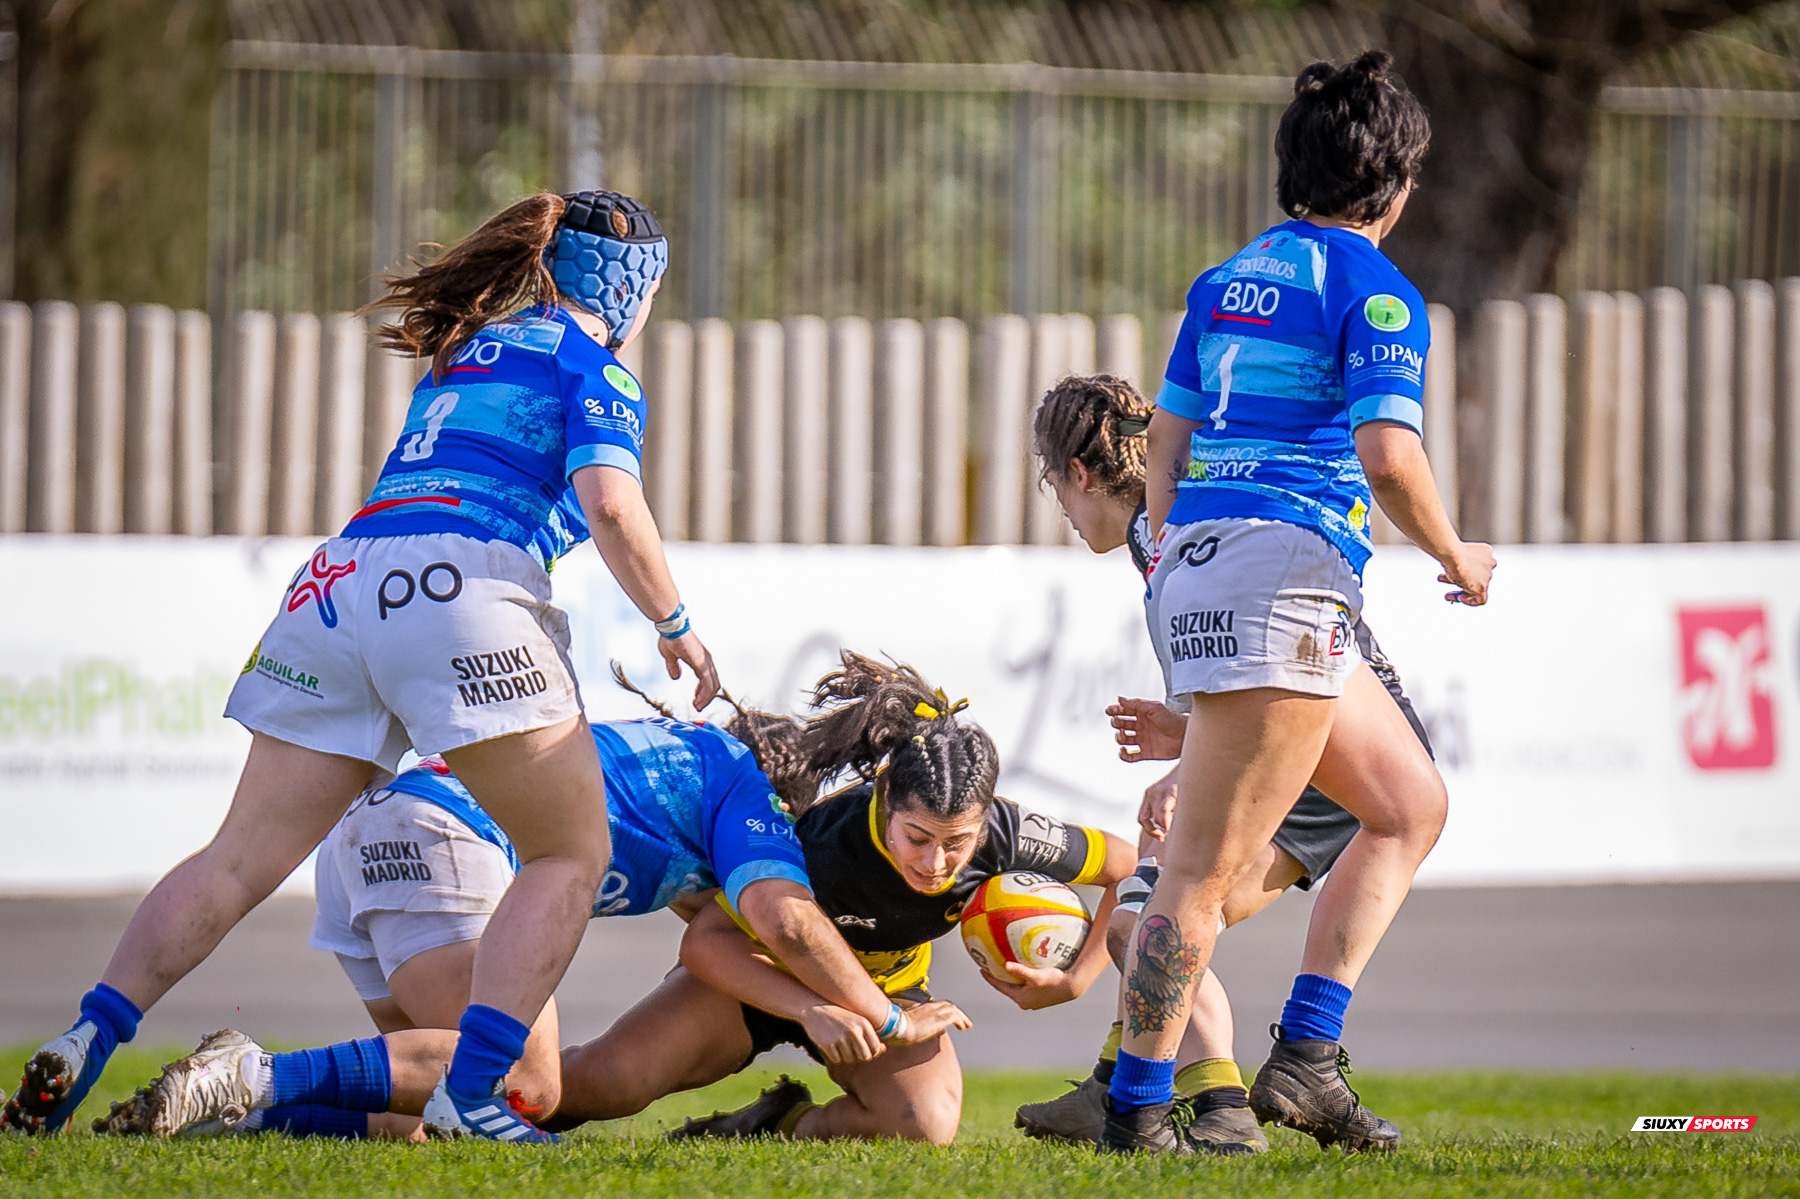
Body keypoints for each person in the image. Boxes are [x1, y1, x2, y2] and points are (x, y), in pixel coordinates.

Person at [3, 190, 722, 1143]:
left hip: (340, 578)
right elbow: (612, 503)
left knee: (237, 858)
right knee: (568, 853)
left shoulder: (469, 348)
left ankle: (88, 1032)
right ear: (631, 290)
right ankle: (475, 1094)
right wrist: (674, 622)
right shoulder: (595, 369)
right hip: (459, 581)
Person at [1098, 53, 1494, 1157]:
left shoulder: (1225, 280)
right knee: (1199, 873)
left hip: (1204, 555)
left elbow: (1164, 445)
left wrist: (1177, 558)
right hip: (1287, 573)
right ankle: (1135, 1108)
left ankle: (1306, 1060)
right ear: (1397, 184)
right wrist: (1456, 553)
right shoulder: (1376, 290)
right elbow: (1389, 453)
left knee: (1406, 802)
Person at [98, 676, 964, 1140]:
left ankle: (233, 1113)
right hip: (444, 833)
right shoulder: (742, 793)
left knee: (422, 1118)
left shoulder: (676, 782)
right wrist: (883, 1015)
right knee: (527, 1082)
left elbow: (717, 934)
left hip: (372, 834)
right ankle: (253, 1073)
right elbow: (781, 919)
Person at [1012, 373, 1434, 1153]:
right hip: (1328, 743)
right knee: (1158, 911)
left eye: (1051, 481)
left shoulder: (1168, 529)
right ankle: (1126, 1080)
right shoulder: (1167, 521)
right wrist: (1187, 733)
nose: (1060, 506)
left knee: (1151, 918)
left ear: (1077, 473)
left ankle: (1219, 1107)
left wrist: (1190, 756)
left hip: (1325, 746)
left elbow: (1259, 667)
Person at [544, 653, 1138, 1143]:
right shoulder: (826, 839)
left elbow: (1127, 870)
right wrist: (810, 1008)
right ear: (885, 795)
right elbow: (707, 943)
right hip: (762, 973)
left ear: (983, 821)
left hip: (885, 991)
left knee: (924, 1124)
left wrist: (1075, 980)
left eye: (957, 843)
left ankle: (771, 1126)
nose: (935, 864)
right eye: (917, 838)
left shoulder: (1006, 833)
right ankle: (493, 1093)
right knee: (598, 1088)